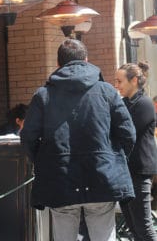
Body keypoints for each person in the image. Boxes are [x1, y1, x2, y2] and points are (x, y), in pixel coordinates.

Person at [21, 38, 136, 241]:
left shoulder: (43, 95)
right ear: (86, 60)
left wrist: (44, 160)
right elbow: (128, 133)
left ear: (58, 64)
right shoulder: (107, 91)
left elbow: (28, 137)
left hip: (60, 176)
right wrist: (113, 159)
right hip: (102, 175)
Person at [115, 62, 157, 240]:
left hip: (139, 171)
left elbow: (126, 133)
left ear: (133, 80)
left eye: (119, 81)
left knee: (143, 226)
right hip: (125, 172)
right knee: (133, 226)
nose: (116, 86)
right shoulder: (123, 103)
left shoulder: (145, 104)